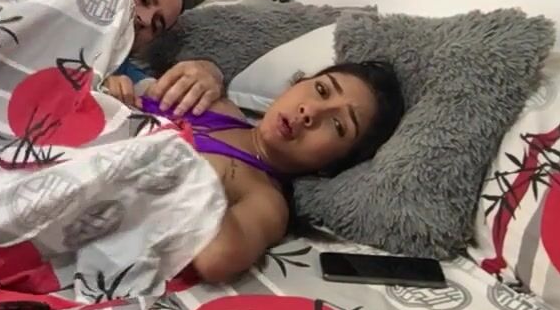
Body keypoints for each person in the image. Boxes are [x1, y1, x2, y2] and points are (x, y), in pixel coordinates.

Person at [108, 60, 405, 283]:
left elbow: (217, 257)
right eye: (321, 89)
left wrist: (188, 163)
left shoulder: (266, 199)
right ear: (295, 83)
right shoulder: (216, 106)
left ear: (333, 164)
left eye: (338, 125)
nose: (311, 112)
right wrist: (113, 88)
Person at [109, 0, 225, 117]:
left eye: (156, 26)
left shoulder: (124, 73)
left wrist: (212, 75)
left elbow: (162, 94)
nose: (146, 20)